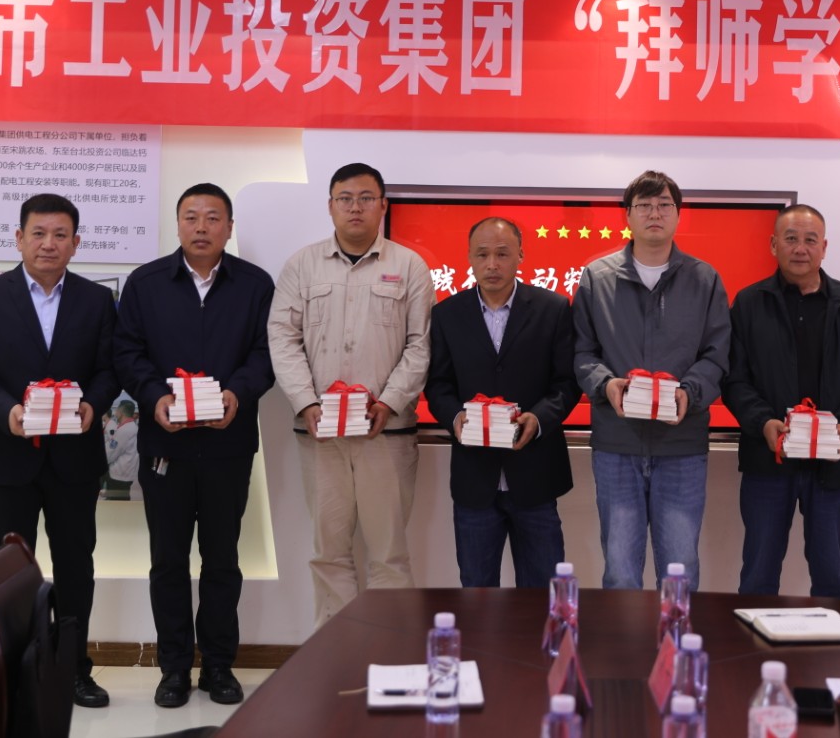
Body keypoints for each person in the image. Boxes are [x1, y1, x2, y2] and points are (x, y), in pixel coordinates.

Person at [0, 192, 119, 709]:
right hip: (7, 457)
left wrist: (92, 404)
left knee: (76, 568)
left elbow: (110, 368)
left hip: (74, 459)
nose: (49, 244)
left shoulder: (97, 300)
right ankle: (12, 674)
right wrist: (7, 412)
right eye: (39, 234)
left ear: (76, 242)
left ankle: (72, 670)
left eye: (60, 235)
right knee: (7, 575)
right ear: (19, 238)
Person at [115, 183, 276, 707]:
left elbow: (267, 353)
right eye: (191, 216)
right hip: (166, 445)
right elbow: (127, 352)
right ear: (178, 223)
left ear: (229, 227)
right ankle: (174, 668)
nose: (201, 227)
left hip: (228, 445)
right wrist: (154, 396)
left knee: (222, 559)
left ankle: (220, 666)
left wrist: (237, 393)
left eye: (212, 217)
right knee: (167, 560)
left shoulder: (255, 285)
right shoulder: (145, 284)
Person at [267, 162, 431, 626]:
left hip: (387, 435)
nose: (355, 207)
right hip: (321, 435)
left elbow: (420, 345)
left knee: (389, 554)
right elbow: (282, 338)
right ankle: (335, 654)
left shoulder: (409, 266)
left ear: (383, 206)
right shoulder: (302, 265)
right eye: (345, 199)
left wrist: (388, 402)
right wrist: (306, 402)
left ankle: (389, 651)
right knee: (329, 553)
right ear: (330, 206)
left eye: (365, 198)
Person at [572, 170, 731, 590]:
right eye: (644, 205)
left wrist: (689, 392)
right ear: (628, 215)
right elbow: (582, 353)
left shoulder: (705, 279)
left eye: (664, 205)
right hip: (617, 444)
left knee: (680, 570)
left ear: (678, 214)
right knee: (620, 571)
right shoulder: (597, 278)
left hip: (682, 446)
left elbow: (717, 355)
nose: (654, 213)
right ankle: (626, 640)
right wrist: (605, 384)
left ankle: (676, 638)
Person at [722, 204, 840, 601]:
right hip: (768, 459)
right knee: (758, 575)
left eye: (810, 240)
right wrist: (763, 422)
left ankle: (828, 643)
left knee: (830, 578)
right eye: (791, 239)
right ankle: (753, 643)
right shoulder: (749, 303)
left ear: (824, 247)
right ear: (773, 244)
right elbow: (734, 379)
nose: (800, 248)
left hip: (832, 461)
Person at [424, 217, 580, 588]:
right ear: (469, 258)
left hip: (536, 476)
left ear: (520, 256)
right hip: (474, 480)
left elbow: (567, 383)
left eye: (502, 254)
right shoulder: (447, 314)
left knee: (542, 593)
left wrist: (538, 419)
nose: (492, 264)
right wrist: (456, 418)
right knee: (477, 594)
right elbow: (438, 385)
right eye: (482, 255)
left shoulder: (553, 308)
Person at [103, 400, 138, 500]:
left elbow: (112, 452)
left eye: (117, 410)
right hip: (126, 472)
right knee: (122, 498)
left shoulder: (124, 430)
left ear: (121, 412)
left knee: (116, 500)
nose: (115, 413)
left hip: (119, 474)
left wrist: (101, 460)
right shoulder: (132, 426)